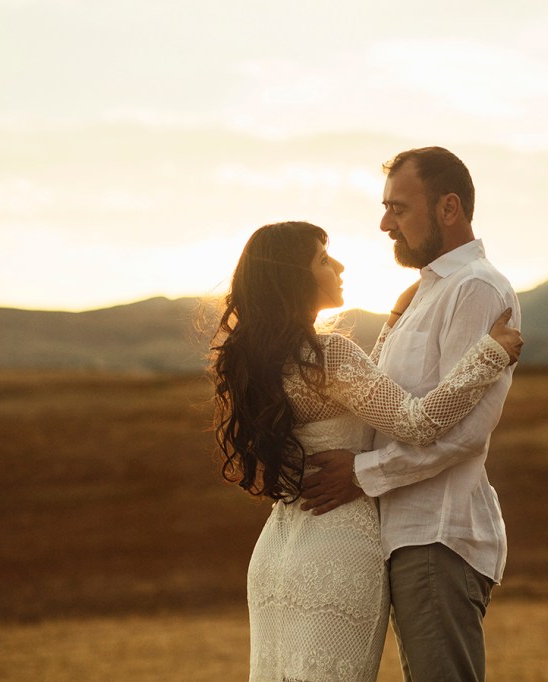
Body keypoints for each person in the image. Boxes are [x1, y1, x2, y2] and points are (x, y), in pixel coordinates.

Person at [210, 220, 522, 681]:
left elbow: (354, 395)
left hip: (278, 553)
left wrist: (393, 323)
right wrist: (488, 357)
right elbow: (415, 422)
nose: (337, 265)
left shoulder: (268, 360)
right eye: (322, 259)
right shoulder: (328, 354)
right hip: (338, 546)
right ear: (293, 278)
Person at [301, 147, 521, 681]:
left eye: (398, 208)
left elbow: (463, 435)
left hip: (436, 533)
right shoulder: (425, 294)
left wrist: (361, 475)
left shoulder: (473, 287)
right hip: (406, 535)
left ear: (449, 209)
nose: (384, 223)